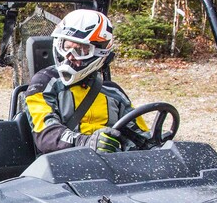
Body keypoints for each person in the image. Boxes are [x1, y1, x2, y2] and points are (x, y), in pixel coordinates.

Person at [24, 9, 146, 154]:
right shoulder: (44, 83)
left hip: (111, 165)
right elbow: (46, 134)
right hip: (59, 166)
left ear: (100, 52)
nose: (70, 56)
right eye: (67, 47)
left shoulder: (114, 92)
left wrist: (156, 145)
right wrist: (86, 142)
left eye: (81, 50)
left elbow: (142, 135)